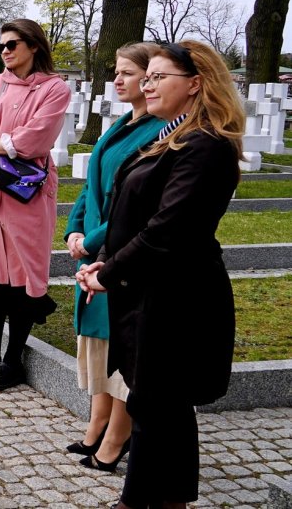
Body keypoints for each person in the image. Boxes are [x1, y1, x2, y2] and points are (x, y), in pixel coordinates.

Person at [77, 40, 242, 509]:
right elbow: (132, 211)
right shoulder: (170, 135)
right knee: (152, 405)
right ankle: (146, 499)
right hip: (148, 291)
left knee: (162, 408)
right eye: (145, 77)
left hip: (177, 297)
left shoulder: (205, 145)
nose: (146, 84)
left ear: (195, 84)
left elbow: (167, 229)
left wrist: (107, 274)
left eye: (157, 77)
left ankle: (156, 501)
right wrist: (106, 260)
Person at [63, 42, 163, 472]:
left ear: (151, 76)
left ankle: (116, 435)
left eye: (127, 72)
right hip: (97, 245)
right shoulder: (122, 122)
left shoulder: (159, 129)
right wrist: (75, 227)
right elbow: (91, 187)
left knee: (119, 345)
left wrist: (95, 239)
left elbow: (133, 202)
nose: (118, 80)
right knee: (99, 342)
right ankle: (98, 422)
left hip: (122, 249)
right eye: (116, 72)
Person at [0, 18, 70, 391]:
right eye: (2, 45)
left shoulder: (54, 89)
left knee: (21, 272)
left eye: (13, 44)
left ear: (34, 46)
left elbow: (33, 139)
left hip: (26, 192)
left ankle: (13, 359)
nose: (5, 51)